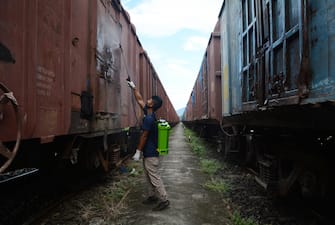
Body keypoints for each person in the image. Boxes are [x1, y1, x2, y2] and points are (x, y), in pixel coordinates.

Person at [127, 79, 170, 211]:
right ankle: (152, 196)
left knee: (154, 177)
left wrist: (138, 151)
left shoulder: (149, 118)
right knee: (148, 176)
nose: (147, 100)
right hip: (149, 153)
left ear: (152, 105)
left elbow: (144, 136)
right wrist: (133, 87)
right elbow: (140, 100)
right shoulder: (149, 113)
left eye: (150, 100)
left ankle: (164, 199)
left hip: (151, 154)